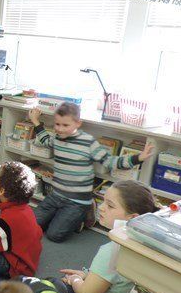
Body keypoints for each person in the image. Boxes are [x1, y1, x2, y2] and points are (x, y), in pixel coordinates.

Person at [29, 102, 153, 242]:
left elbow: (110, 161)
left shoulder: (88, 142)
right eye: (57, 124)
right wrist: (35, 121)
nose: (60, 129)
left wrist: (138, 158)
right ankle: (62, 216)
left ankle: (84, 213)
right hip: (56, 194)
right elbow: (46, 140)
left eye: (65, 125)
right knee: (30, 225)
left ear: (78, 124)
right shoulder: (56, 138)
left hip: (77, 201)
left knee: (54, 236)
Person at [60, 180, 160, 293]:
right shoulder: (152, 241)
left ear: (133, 218)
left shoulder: (113, 250)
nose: (101, 208)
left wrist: (75, 279)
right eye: (103, 201)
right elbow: (118, 280)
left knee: (55, 288)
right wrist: (87, 275)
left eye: (110, 205)